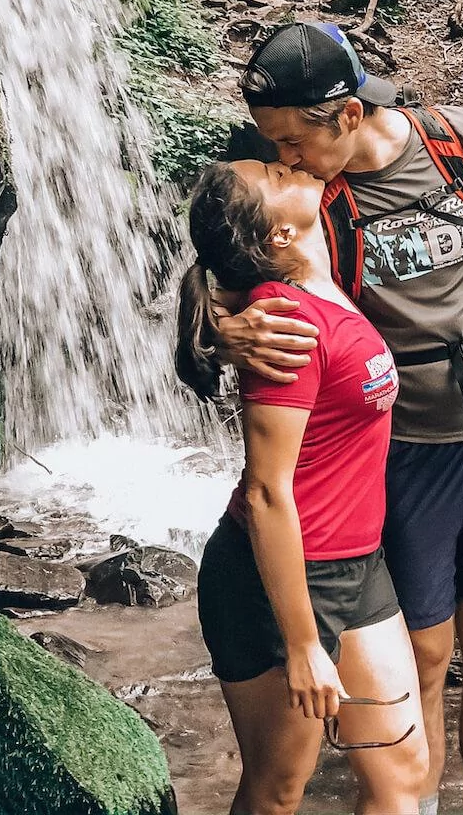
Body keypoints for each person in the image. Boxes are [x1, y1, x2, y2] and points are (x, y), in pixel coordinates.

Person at [214, 22, 463, 815]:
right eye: (271, 142)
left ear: (347, 116)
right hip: (407, 449)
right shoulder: (305, 199)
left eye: (292, 139)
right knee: (425, 653)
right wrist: (220, 321)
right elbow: (222, 247)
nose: (282, 155)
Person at [175, 159, 428, 815]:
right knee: (279, 789)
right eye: (269, 170)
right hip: (274, 584)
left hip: (358, 565)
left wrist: (216, 329)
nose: (284, 161)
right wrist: (302, 644)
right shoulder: (282, 325)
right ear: (279, 238)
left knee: (402, 775)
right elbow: (265, 492)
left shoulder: (315, 271)